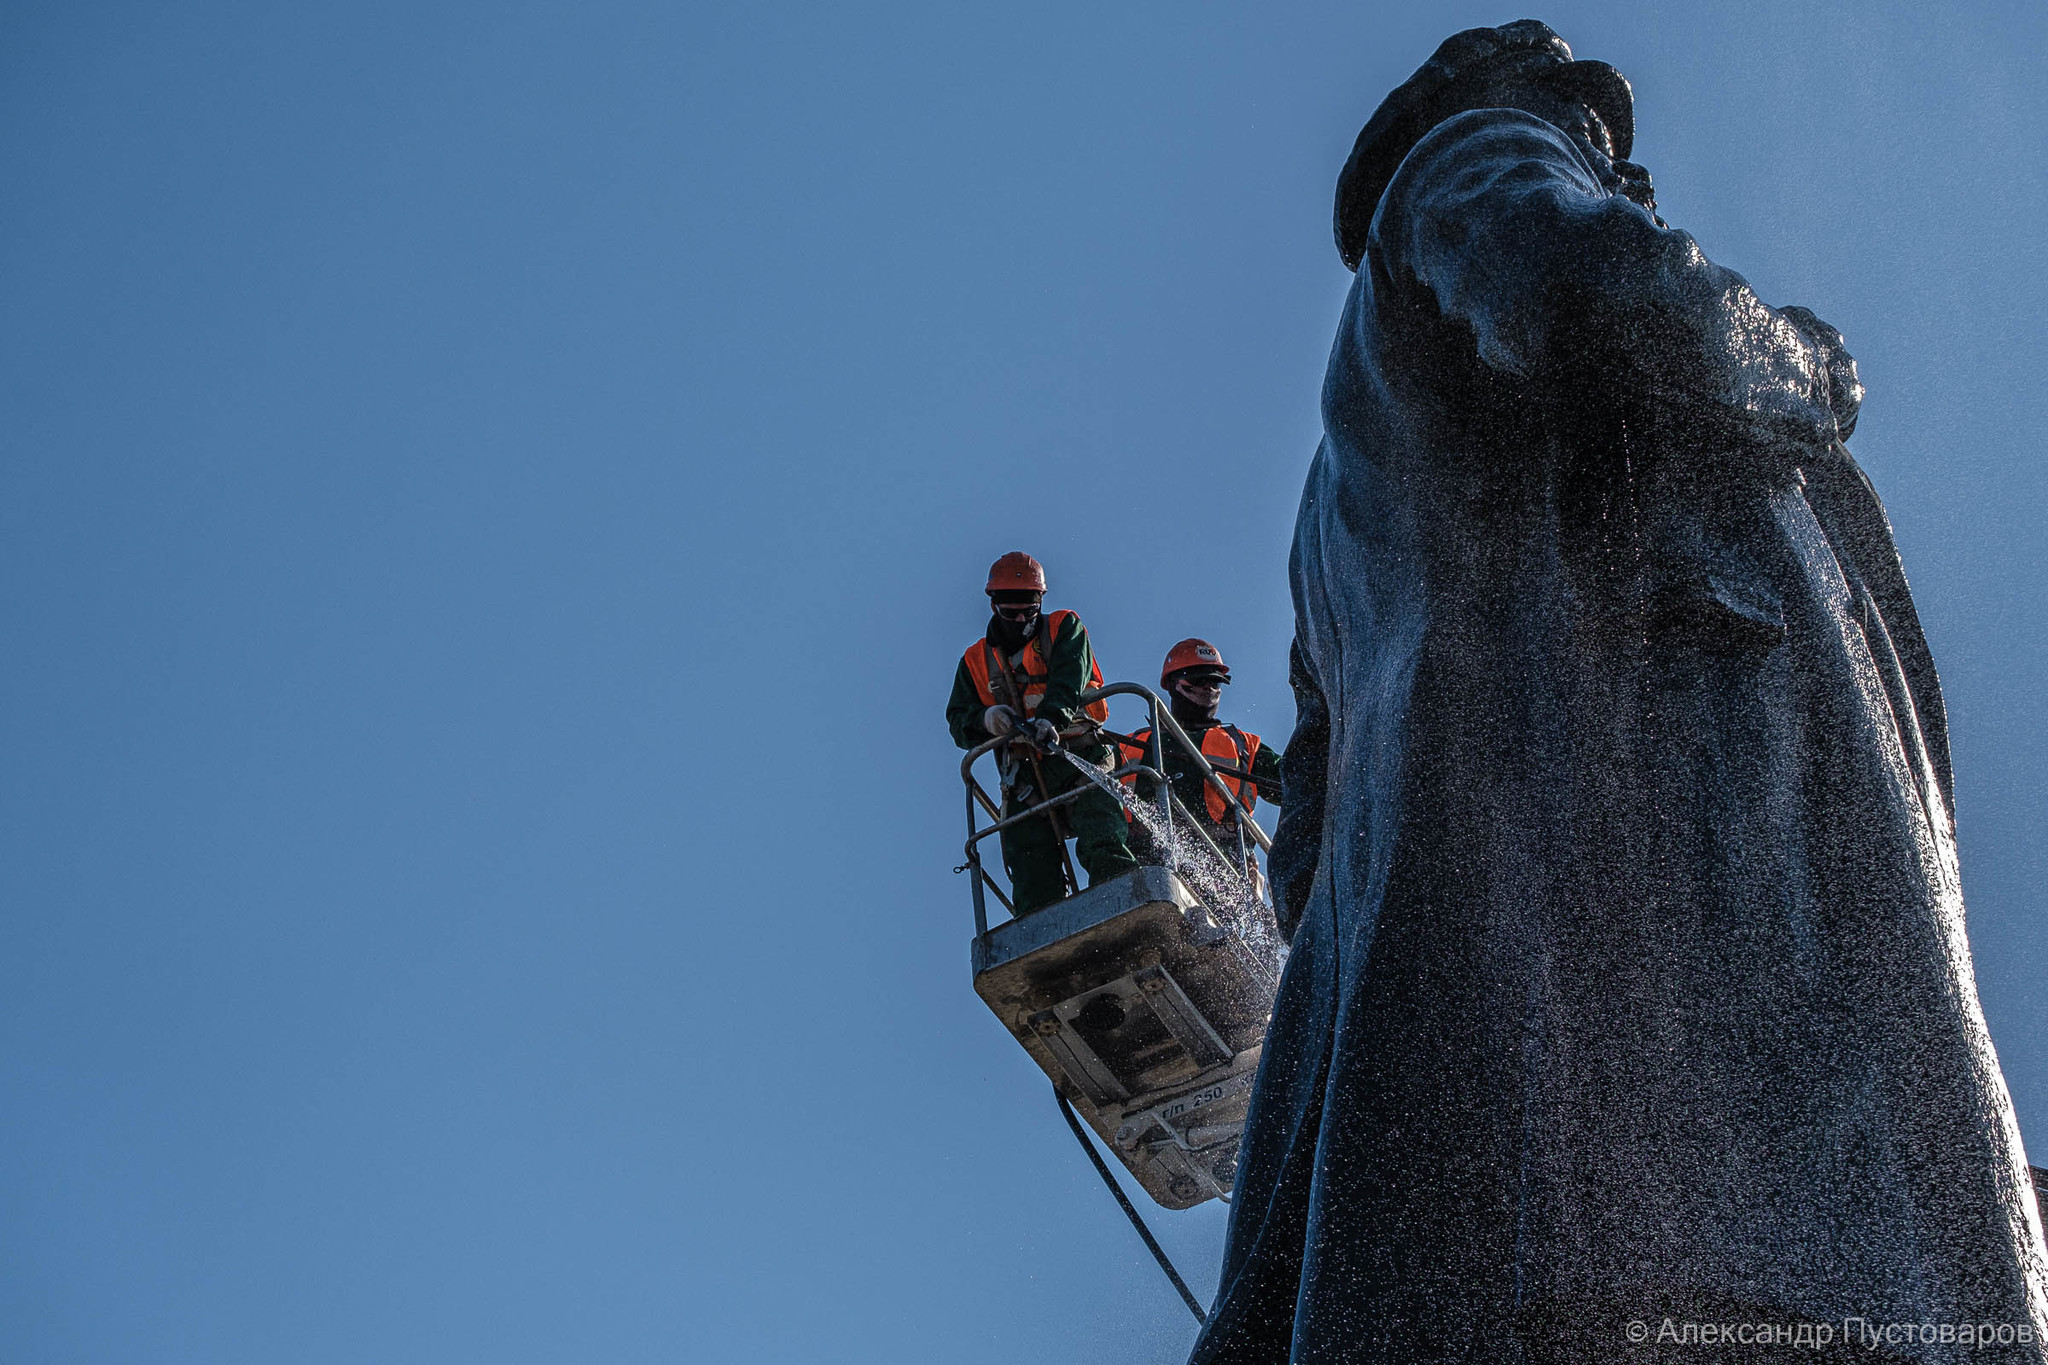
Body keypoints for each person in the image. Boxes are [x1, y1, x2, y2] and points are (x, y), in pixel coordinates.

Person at [1192, 21, 2048, 1364]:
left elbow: (1304, 859)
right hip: (1655, 926)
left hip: (1491, 1032)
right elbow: (1615, 298)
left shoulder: (1331, 512)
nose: (1623, 177)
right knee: (1796, 1257)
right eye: (1597, 139)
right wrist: (1803, 365)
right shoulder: (1476, 158)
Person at [946, 552, 1138, 915]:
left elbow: (1068, 680)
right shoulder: (975, 661)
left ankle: (1123, 911)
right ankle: (1045, 939)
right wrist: (988, 720)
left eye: (1027, 612)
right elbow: (958, 719)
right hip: (1025, 778)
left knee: (1103, 839)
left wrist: (1050, 719)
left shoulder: (1064, 628)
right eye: (1011, 613)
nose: (1020, 620)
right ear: (993, 605)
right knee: (1031, 865)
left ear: (1040, 603)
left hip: (1080, 756)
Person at [1117, 639, 1283, 877]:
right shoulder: (1134, 744)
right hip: (1150, 869)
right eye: (1199, 680)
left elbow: (1295, 783)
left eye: (1215, 681)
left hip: (1228, 873)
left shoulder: (1243, 745)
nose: (1208, 687)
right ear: (1173, 684)